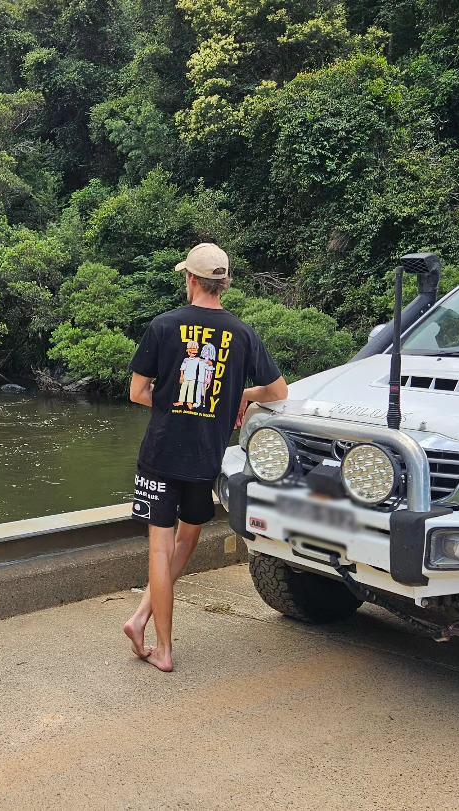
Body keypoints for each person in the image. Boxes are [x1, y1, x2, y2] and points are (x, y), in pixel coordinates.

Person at [124, 242, 288, 672]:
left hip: (161, 454)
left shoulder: (163, 326)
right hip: (206, 458)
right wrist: (238, 396)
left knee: (159, 550)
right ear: (224, 284)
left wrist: (175, 404)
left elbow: (138, 393)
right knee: (188, 537)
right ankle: (141, 617)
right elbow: (278, 393)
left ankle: (162, 646)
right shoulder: (244, 333)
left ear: (191, 280)